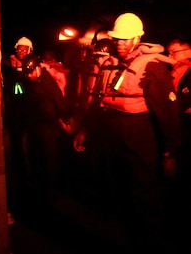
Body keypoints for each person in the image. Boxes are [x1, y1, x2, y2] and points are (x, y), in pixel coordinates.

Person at [72, 13, 181, 254]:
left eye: (125, 38)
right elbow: (98, 102)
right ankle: (123, 238)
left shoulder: (152, 68)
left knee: (144, 196)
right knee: (116, 192)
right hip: (112, 136)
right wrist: (85, 129)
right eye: (116, 38)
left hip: (140, 138)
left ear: (138, 38)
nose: (119, 43)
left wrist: (170, 152)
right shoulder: (109, 64)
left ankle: (149, 243)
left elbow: (167, 115)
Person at [20, 53, 73, 209]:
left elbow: (59, 100)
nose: (29, 75)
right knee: (35, 158)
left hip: (48, 128)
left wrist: (64, 117)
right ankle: (40, 190)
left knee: (48, 161)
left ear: (38, 68)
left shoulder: (47, 82)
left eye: (31, 72)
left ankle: (51, 195)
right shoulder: (29, 82)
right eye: (27, 73)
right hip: (34, 127)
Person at [166, 36, 191, 246]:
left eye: (174, 51)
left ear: (187, 50)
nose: (170, 56)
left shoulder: (188, 71)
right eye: (169, 52)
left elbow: (182, 99)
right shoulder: (173, 70)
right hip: (177, 120)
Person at [2, 37, 33, 194]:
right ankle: (18, 176)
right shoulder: (8, 65)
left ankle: (30, 176)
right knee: (16, 144)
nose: (21, 52)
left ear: (30, 51)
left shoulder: (34, 65)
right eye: (19, 49)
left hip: (30, 112)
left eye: (24, 49)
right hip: (14, 110)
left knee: (29, 145)